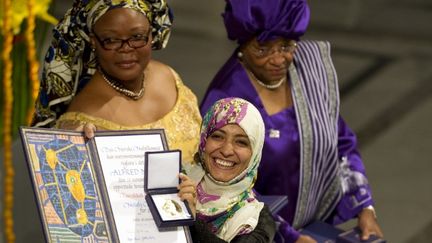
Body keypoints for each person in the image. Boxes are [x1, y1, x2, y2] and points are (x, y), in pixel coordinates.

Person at [199, 0, 383, 242]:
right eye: (263, 48)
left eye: (286, 46)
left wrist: (365, 208)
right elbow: (227, 183)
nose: (278, 60)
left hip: (315, 227)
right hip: (255, 231)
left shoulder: (308, 76)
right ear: (242, 44)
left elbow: (342, 142)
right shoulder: (226, 100)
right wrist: (290, 236)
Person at [31, 0, 201, 163]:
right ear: (93, 41)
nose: (126, 48)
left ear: (152, 34)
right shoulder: (83, 123)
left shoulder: (168, 76)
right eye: (111, 40)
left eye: (137, 37)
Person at [185, 97, 276, 242]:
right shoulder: (179, 182)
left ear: (255, 153)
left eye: (241, 142)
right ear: (203, 140)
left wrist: (190, 220)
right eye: (217, 137)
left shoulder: (255, 220)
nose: (227, 151)